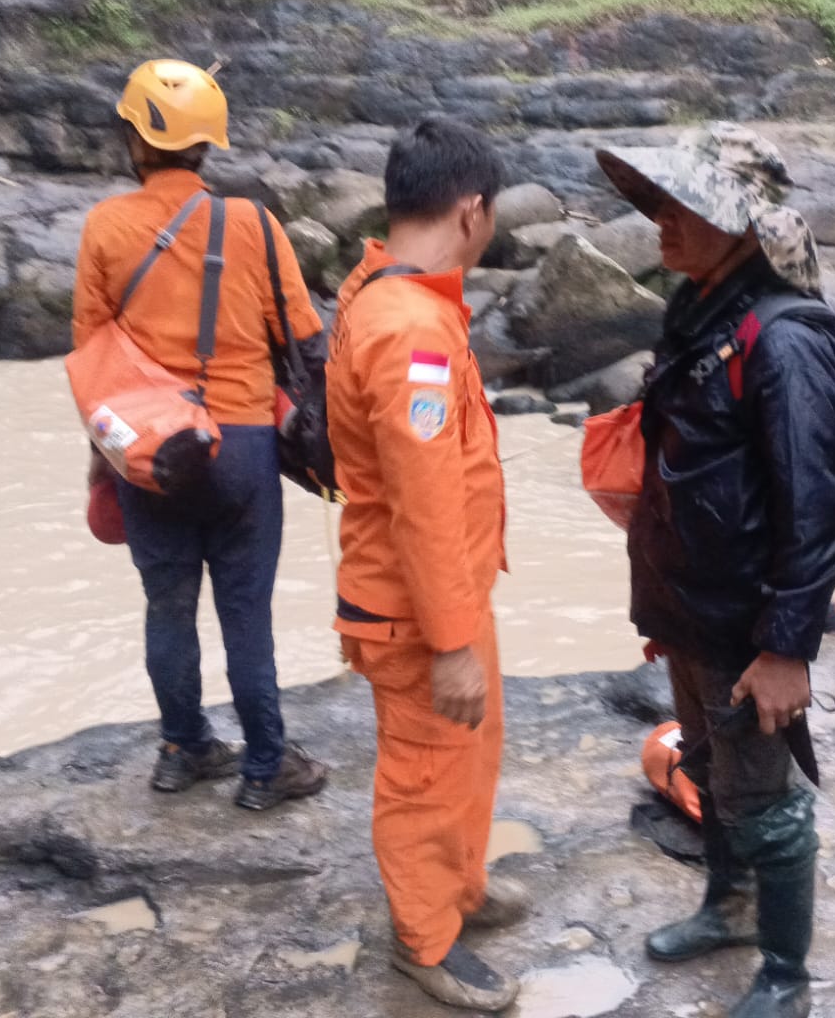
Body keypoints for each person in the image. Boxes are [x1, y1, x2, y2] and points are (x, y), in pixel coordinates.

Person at [597, 122, 835, 1018]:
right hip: (689, 612)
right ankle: (729, 905)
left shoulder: (783, 339)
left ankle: (786, 973)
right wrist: (657, 611)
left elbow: (813, 509)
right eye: (658, 200)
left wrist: (786, 648)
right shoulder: (702, 313)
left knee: (766, 800)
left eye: (683, 203)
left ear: (741, 223)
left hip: (746, 625)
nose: (661, 219)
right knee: (707, 769)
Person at [72, 60, 328, 810]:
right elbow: (306, 337)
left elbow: (92, 361)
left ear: (135, 139)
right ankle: (265, 768)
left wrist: (101, 460)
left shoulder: (104, 228)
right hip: (245, 444)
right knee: (246, 614)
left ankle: (182, 749)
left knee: (168, 605)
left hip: (151, 452)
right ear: (205, 146)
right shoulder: (251, 222)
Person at [327, 118, 527, 1012]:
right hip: (417, 610)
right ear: (473, 210)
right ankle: (424, 941)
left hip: (448, 592)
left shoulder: (386, 288)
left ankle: (463, 886)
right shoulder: (411, 329)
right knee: (424, 773)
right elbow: (422, 498)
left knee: (469, 754)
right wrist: (451, 642)